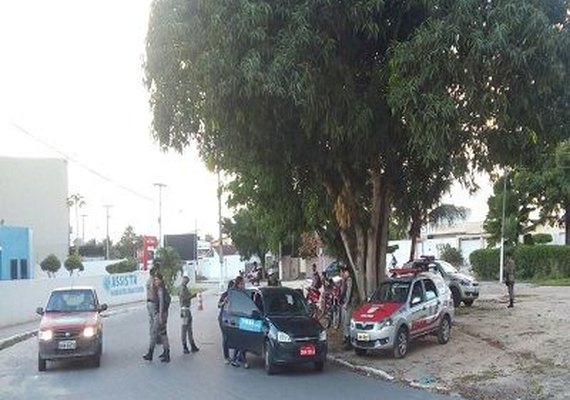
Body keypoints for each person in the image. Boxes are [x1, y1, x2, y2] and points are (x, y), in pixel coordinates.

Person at [143, 273, 171, 363]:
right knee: (163, 334)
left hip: (160, 314)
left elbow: (161, 304)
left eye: (157, 280)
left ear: (161, 280)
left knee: (154, 333)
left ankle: (150, 353)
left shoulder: (160, 290)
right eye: (154, 280)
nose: (155, 281)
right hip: (163, 314)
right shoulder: (161, 289)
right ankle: (166, 352)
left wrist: (160, 316)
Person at [231, 276, 249, 368]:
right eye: (242, 284)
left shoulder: (243, 293)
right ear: (238, 284)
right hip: (237, 319)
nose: (243, 285)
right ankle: (236, 359)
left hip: (244, 318)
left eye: (244, 284)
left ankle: (240, 357)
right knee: (241, 340)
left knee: (243, 340)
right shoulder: (235, 294)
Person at [179, 275, 199, 354]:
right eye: (186, 281)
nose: (186, 282)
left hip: (187, 309)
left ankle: (192, 345)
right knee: (184, 329)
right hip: (184, 310)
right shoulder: (182, 288)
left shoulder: (184, 288)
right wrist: (192, 296)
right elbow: (183, 298)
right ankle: (185, 346)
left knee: (189, 329)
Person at [143, 263, 159, 360]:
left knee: (151, 322)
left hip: (148, 303)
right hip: (153, 303)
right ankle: (154, 341)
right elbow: (154, 292)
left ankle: (154, 338)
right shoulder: (153, 281)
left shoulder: (148, 280)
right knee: (155, 325)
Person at [218, 280, 235, 364]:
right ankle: (226, 356)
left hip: (233, 318)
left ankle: (236, 356)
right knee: (226, 337)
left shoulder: (236, 295)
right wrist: (224, 302)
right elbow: (219, 305)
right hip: (224, 318)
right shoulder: (225, 294)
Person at [340, 265, 353, 350]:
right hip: (344, 303)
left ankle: (349, 341)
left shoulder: (349, 280)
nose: (341, 274)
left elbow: (348, 292)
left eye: (342, 272)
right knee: (344, 322)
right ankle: (345, 338)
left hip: (348, 304)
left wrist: (346, 303)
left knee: (347, 323)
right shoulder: (344, 280)